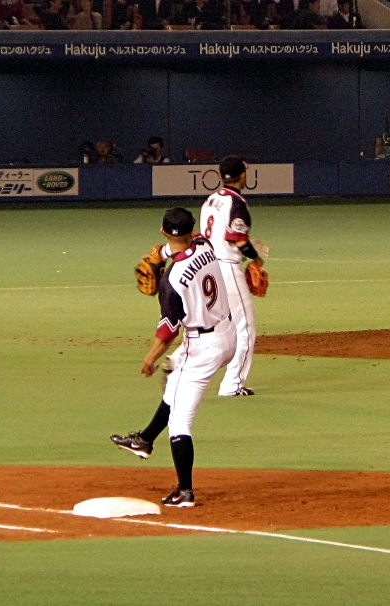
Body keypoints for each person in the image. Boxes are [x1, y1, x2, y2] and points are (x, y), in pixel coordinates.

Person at [110, 207, 236, 507]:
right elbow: (186, 243)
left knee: (180, 419)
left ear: (163, 230)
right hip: (229, 335)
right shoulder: (205, 244)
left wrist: (150, 358)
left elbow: (168, 332)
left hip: (202, 347)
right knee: (176, 381)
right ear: (193, 230)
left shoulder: (171, 280)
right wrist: (165, 252)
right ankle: (144, 440)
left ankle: (185, 491)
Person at [199, 156, 265, 397]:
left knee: (217, 328)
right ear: (243, 176)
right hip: (227, 269)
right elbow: (237, 239)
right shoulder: (237, 203)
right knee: (245, 328)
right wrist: (256, 257)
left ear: (220, 176)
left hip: (207, 270)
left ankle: (177, 367)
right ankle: (232, 385)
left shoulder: (209, 201)